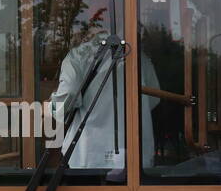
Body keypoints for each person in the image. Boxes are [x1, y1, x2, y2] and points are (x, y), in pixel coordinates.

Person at [51, 32, 159, 170]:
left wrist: (50, 108)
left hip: (88, 155)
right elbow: (154, 99)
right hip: (134, 159)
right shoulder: (139, 57)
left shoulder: (79, 55)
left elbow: (67, 97)